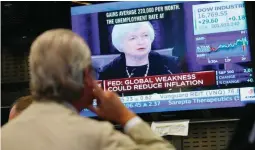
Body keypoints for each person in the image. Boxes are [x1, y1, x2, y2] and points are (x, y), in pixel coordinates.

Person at [2, 29, 176, 150]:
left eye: (145, 35)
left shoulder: (4, 138)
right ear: (86, 76)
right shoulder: (97, 137)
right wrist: (126, 116)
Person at [99, 21, 181, 80]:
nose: (141, 42)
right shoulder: (108, 73)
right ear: (120, 43)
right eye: (133, 38)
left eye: (145, 35)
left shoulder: (170, 64)